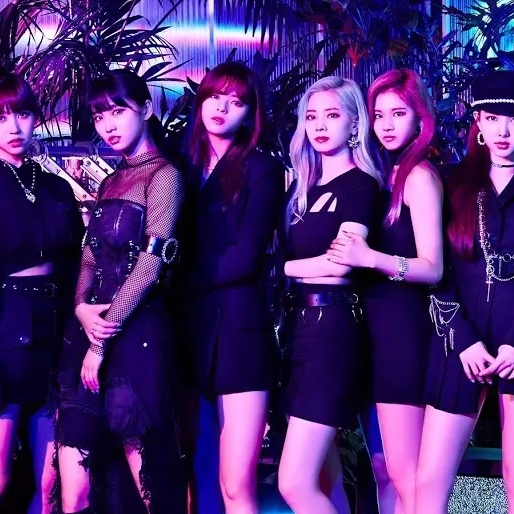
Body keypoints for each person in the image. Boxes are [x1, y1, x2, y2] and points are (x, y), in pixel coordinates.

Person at [416, 71, 514, 514]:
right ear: (478, 122)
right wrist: (464, 341)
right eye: (492, 118)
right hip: (458, 345)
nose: (503, 131)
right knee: (430, 484)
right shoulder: (450, 183)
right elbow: (438, 271)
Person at [0, 66, 84, 514]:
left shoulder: (54, 186)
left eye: (22, 114)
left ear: (35, 117)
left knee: (48, 481)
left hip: (55, 333)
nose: (14, 127)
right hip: (1, 334)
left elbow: (77, 261)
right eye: (0, 117)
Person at [55, 69, 186, 514]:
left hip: (136, 335)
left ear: (145, 109)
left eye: (117, 111)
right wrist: (79, 309)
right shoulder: (111, 180)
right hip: (89, 332)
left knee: (149, 485)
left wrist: (100, 339)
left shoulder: (165, 175)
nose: (107, 124)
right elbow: (89, 257)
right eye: (99, 116)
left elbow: (151, 264)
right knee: (75, 489)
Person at [325, 68, 442, 514]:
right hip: (373, 331)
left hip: (404, 332)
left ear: (420, 118)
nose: (387, 124)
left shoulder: (419, 177)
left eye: (399, 113)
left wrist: (371, 258)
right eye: (379, 115)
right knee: (382, 468)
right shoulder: (383, 176)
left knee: (406, 473)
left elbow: (433, 268)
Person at [181, 60, 285, 513]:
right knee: (199, 475)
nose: (221, 108)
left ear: (250, 114)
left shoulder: (261, 168)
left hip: (240, 330)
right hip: (187, 332)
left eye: (236, 102)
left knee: (236, 483)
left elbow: (247, 254)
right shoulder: (180, 166)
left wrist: (177, 281)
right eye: (214, 96)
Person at [275, 76, 382, 514]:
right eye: (311, 116)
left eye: (332, 115)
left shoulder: (362, 185)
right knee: (324, 478)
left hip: (333, 330)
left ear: (355, 124)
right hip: (296, 330)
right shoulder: (300, 188)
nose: (319, 125)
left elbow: (342, 263)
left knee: (293, 483)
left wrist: (281, 270)